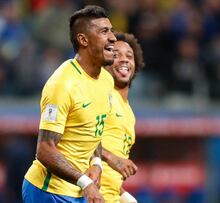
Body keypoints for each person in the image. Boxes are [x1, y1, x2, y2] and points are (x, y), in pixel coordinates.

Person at [22, 5, 116, 203]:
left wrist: (97, 163)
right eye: (104, 32)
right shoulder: (63, 84)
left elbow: (93, 129)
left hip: (78, 189)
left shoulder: (106, 81)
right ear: (83, 40)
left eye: (112, 31)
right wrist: (85, 182)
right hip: (48, 191)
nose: (113, 38)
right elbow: (45, 150)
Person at [100, 32, 145, 202]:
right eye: (116, 55)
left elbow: (111, 172)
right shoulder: (101, 94)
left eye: (129, 56)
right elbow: (78, 141)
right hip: (89, 195)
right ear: (105, 62)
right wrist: (111, 157)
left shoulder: (129, 112)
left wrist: (123, 194)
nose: (124, 60)